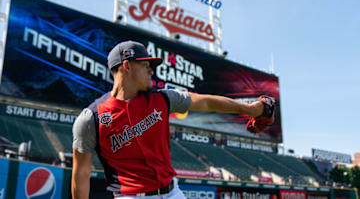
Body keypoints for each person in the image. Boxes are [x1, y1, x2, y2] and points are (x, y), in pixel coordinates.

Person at [71, 40, 268, 199]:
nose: (151, 71)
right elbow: (80, 175)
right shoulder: (91, 118)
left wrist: (250, 109)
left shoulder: (162, 98)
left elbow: (207, 102)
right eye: (146, 65)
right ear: (127, 66)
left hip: (173, 192)